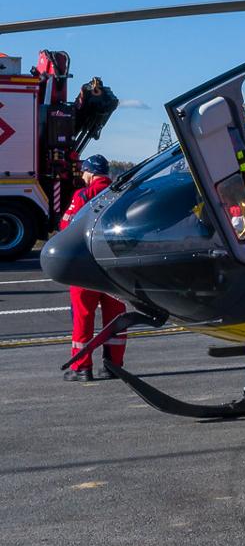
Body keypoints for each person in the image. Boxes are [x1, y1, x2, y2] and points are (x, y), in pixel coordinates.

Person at [63, 155, 124, 381]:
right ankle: (114, 365)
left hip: (85, 266)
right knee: (115, 317)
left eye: (83, 172)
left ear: (89, 172)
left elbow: (66, 226)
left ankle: (82, 368)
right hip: (115, 268)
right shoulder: (120, 194)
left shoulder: (82, 195)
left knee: (83, 317)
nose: (82, 176)